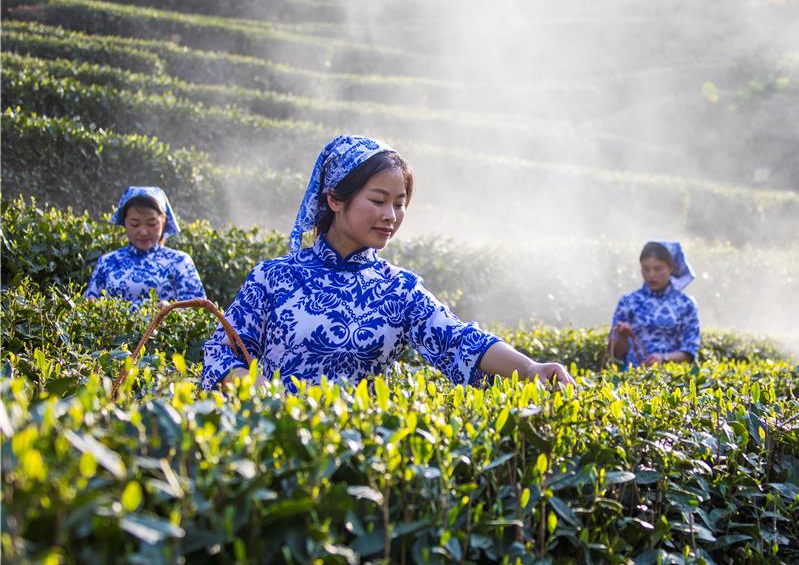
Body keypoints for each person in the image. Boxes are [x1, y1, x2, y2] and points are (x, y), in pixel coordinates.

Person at [201, 135, 575, 393]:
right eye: (378, 200)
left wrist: (528, 368)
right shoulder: (274, 277)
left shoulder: (398, 290)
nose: (391, 215)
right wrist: (250, 386)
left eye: (399, 203)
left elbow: (459, 339)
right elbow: (223, 349)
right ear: (334, 199)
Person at [85, 186, 206, 306]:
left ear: (164, 220)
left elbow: (197, 311)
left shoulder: (180, 262)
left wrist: (170, 311)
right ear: (124, 221)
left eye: (152, 224)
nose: (143, 232)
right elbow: (88, 308)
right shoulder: (107, 262)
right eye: (135, 224)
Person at [610, 241, 700, 367]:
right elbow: (617, 354)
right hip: (633, 378)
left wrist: (664, 358)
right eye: (646, 269)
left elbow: (690, 352)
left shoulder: (686, 304)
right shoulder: (628, 302)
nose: (651, 275)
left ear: (671, 268)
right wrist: (623, 336)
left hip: (674, 379)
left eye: (657, 269)